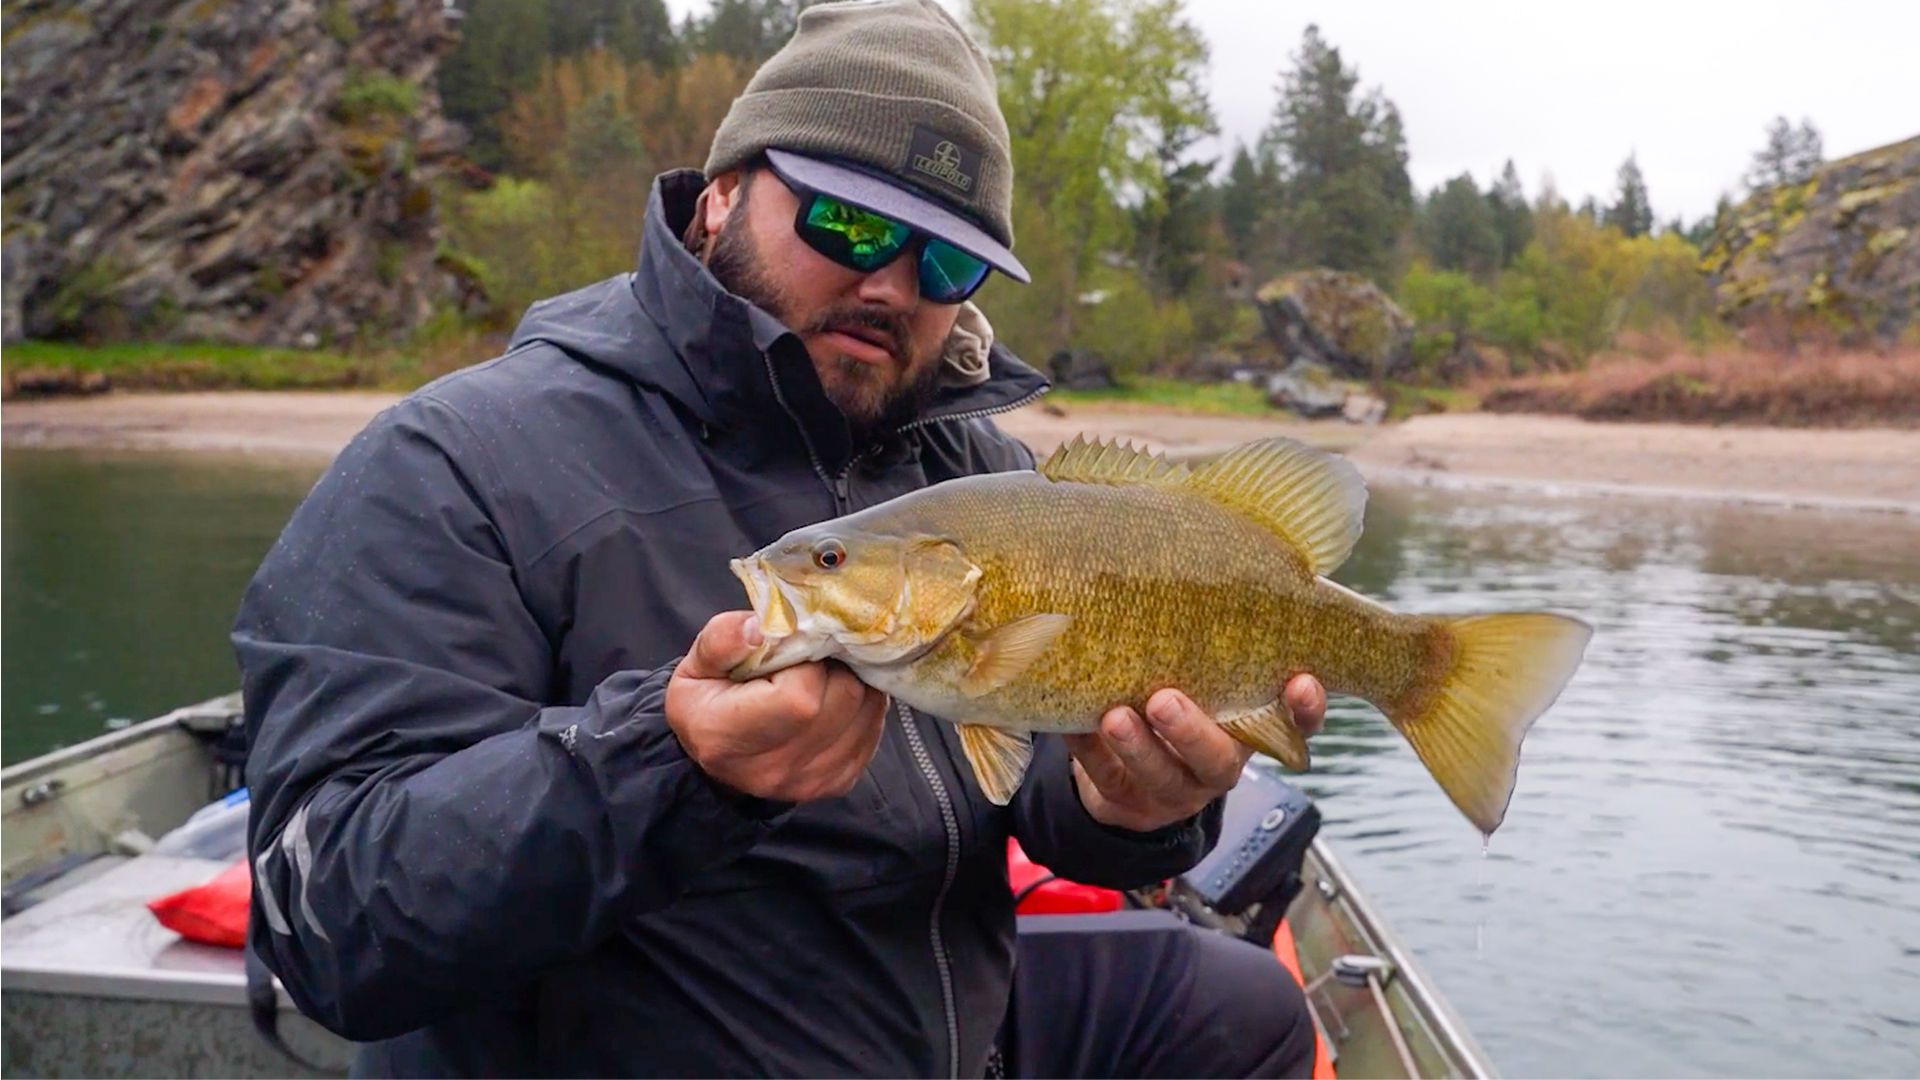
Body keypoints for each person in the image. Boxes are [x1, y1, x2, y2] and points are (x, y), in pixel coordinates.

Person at [235, 1, 1326, 1075]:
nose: (891, 282)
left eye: (945, 263)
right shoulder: (456, 464)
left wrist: (1132, 807)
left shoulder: (981, 474)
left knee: (1245, 1013)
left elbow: (1034, 778)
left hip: (946, 1025)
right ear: (719, 201)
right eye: (849, 223)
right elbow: (320, 922)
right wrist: (670, 766)